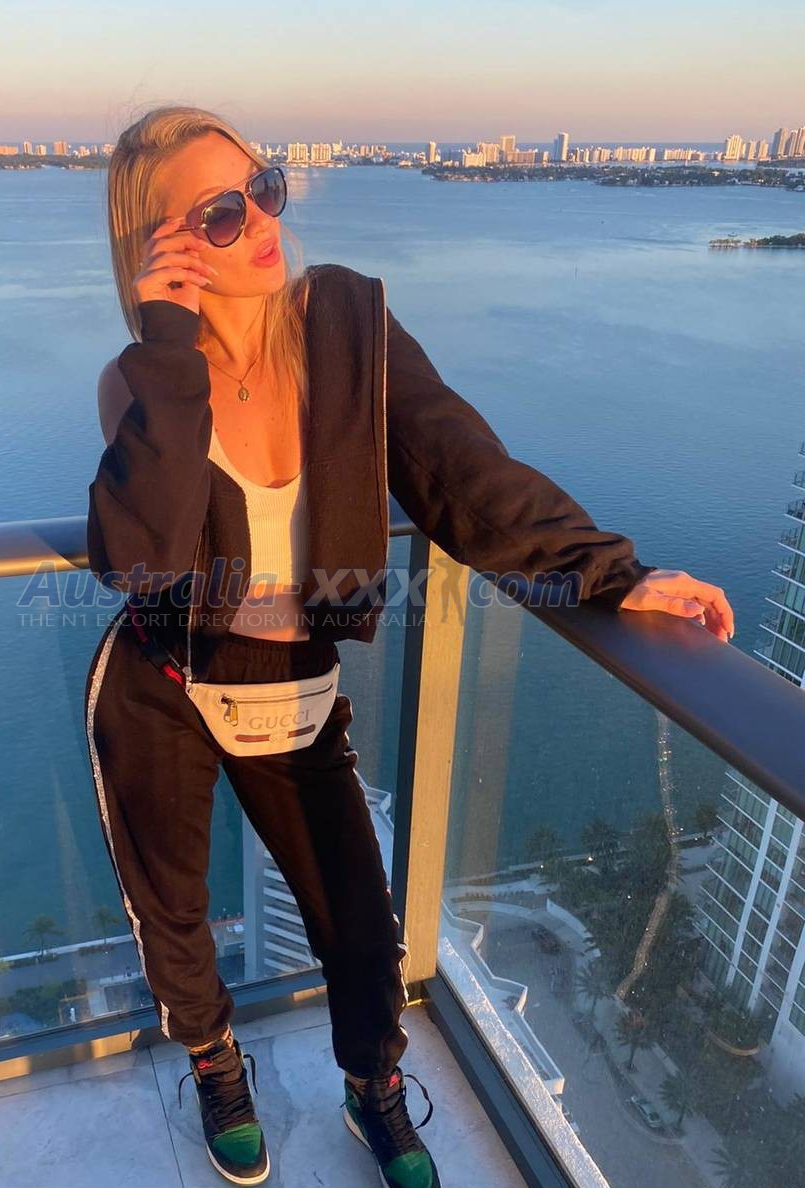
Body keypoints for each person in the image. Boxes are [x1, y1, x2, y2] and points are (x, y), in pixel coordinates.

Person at [83, 105, 735, 1188]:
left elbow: (462, 473)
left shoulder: (344, 325)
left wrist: (611, 573)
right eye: (222, 213)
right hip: (162, 681)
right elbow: (141, 557)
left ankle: (372, 1085)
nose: (263, 222)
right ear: (159, 247)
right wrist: (167, 344)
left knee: (360, 928)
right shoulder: (140, 381)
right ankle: (215, 1063)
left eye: (264, 189)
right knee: (174, 916)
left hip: (292, 687)